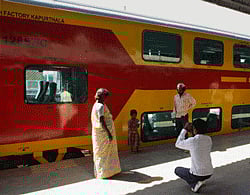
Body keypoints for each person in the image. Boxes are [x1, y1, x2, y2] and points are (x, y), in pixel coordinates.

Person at [174, 119, 213, 193]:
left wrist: (184, 129)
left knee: (178, 170)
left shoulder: (192, 141)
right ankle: (201, 180)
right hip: (209, 173)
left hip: (197, 174)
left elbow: (178, 143)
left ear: (194, 129)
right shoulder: (209, 139)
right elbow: (198, 143)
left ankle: (194, 184)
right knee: (195, 170)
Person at [91, 88, 121, 179]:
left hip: (99, 133)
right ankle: (105, 173)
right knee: (106, 153)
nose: (106, 98)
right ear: (102, 96)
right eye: (106, 96)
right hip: (104, 133)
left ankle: (104, 172)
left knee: (101, 153)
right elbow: (101, 120)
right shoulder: (100, 106)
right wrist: (108, 133)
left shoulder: (96, 105)